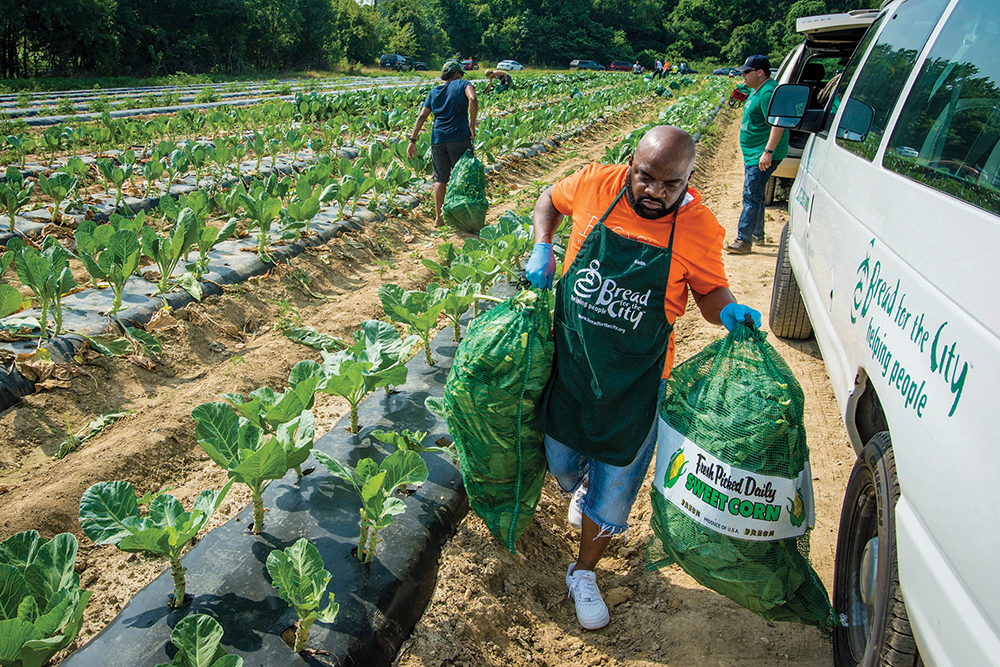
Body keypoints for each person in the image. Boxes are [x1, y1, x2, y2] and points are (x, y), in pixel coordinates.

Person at [524, 125, 761, 630]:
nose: (655, 191)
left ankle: (583, 570)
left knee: (615, 486)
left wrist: (730, 312)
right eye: (646, 177)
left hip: (637, 380)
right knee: (562, 462)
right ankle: (581, 491)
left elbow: (710, 291)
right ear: (630, 165)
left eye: (670, 184)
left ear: (689, 179)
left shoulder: (698, 228)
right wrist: (544, 244)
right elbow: (549, 198)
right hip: (574, 362)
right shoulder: (596, 184)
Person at [725, 54, 788, 254]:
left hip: (761, 153)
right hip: (754, 152)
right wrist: (741, 92)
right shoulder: (757, 89)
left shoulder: (768, 93)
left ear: (760, 72)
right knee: (757, 193)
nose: (742, 74)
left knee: (750, 194)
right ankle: (756, 234)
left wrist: (768, 151)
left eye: (747, 71)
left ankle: (743, 240)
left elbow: (778, 124)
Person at [407, 60, 478, 226]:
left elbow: (422, 116)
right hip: (459, 138)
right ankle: (464, 216)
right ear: (457, 73)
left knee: (440, 179)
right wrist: (472, 125)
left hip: (438, 139)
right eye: (460, 73)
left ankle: (439, 218)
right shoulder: (464, 84)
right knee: (463, 176)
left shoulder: (434, 91)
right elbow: (473, 99)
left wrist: (412, 140)